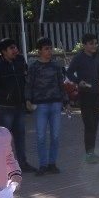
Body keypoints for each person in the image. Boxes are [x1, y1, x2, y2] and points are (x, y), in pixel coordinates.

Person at [0, 38, 34, 171]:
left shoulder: (20, 61)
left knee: (20, 137)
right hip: (5, 109)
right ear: (4, 52)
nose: (15, 50)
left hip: (19, 108)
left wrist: (27, 99)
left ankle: (23, 164)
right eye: (12, 48)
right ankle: (5, 167)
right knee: (4, 139)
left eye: (15, 47)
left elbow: (26, 80)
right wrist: (7, 95)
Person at [25, 37, 67, 175]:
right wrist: (28, 100)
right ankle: (43, 164)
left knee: (55, 136)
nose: (49, 51)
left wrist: (66, 101)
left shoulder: (56, 66)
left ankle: (52, 163)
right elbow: (29, 85)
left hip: (56, 103)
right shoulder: (34, 67)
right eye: (46, 49)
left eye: (50, 48)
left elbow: (61, 84)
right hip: (40, 105)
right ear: (39, 51)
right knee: (41, 136)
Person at [65, 33, 99, 164]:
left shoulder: (97, 57)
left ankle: (92, 152)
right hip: (85, 95)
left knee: (95, 124)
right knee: (89, 124)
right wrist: (78, 81)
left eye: (95, 43)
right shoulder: (79, 58)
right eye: (91, 43)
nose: (94, 46)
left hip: (96, 94)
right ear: (84, 45)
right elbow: (69, 72)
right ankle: (89, 154)